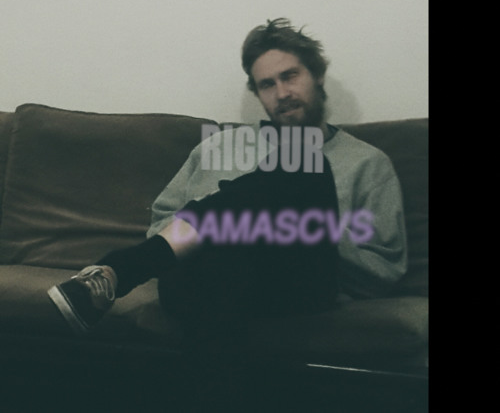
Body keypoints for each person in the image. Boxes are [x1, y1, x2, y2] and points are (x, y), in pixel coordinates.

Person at [48, 18, 407, 345]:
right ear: (258, 93)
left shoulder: (367, 162)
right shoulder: (217, 147)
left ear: (317, 75)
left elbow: (381, 271)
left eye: (290, 76)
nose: (282, 93)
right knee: (222, 264)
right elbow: (161, 224)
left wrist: (295, 222)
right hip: (202, 279)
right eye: (267, 84)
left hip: (296, 285)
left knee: (302, 160)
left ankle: (122, 270)